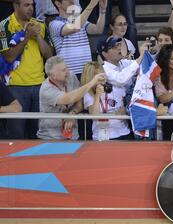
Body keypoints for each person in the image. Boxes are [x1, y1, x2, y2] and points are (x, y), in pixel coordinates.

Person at [0, 0, 53, 139]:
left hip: (39, 85)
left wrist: (38, 37)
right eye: (26, 5)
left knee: (38, 132)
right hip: (15, 87)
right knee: (16, 134)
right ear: (16, 5)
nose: (31, 8)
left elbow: (49, 55)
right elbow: (9, 57)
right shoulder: (4, 25)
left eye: (32, 5)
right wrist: (27, 37)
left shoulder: (40, 25)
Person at [37, 56, 106, 140]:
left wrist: (72, 113)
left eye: (67, 67)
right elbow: (69, 98)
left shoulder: (71, 77)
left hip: (73, 136)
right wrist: (92, 83)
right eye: (63, 70)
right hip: (50, 137)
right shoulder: (46, 89)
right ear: (53, 75)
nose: (68, 71)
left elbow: (80, 101)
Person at [50, 0, 107, 78]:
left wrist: (102, 10)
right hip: (68, 74)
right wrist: (91, 5)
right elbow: (75, 27)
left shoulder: (80, 21)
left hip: (87, 72)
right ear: (58, 3)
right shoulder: (54, 24)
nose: (72, 0)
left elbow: (98, 29)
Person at [81, 61, 131, 141]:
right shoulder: (88, 93)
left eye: (103, 72)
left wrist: (125, 110)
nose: (103, 76)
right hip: (101, 137)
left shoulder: (116, 87)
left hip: (123, 133)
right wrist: (97, 95)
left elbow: (127, 106)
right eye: (98, 75)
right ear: (91, 78)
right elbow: (94, 116)